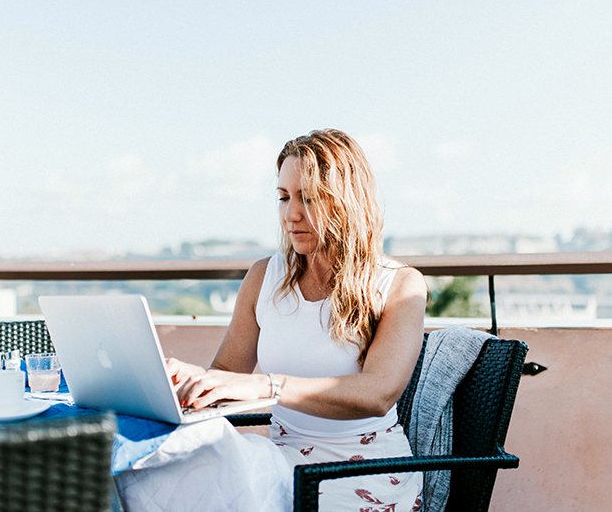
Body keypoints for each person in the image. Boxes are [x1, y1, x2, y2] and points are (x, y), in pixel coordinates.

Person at [116, 128, 426, 512]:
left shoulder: (399, 285)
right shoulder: (265, 277)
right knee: (158, 480)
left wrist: (267, 387)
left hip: (364, 475)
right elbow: (228, 370)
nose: (291, 214)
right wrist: (190, 381)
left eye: (308, 198)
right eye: (283, 197)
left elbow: (379, 394)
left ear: (346, 202)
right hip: (281, 462)